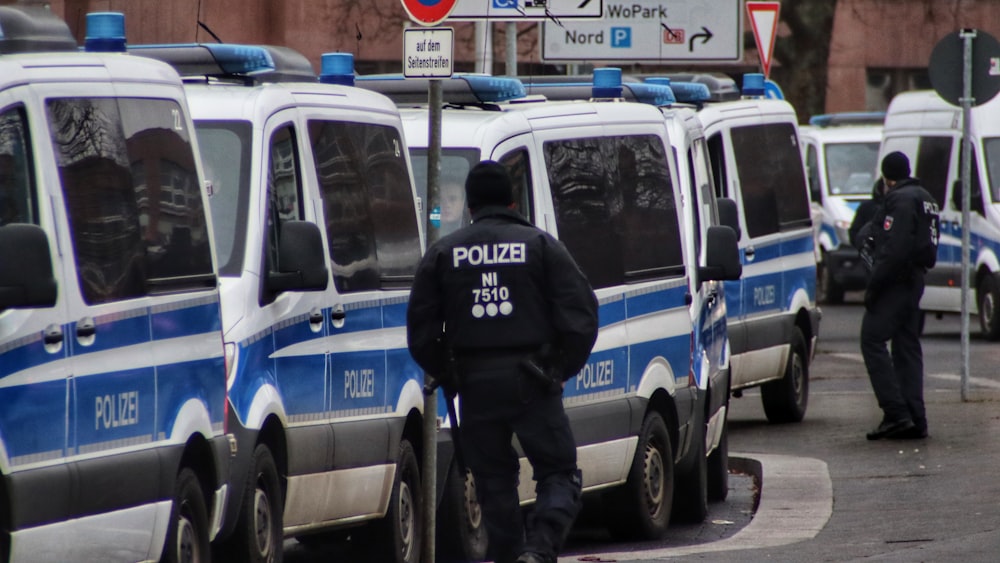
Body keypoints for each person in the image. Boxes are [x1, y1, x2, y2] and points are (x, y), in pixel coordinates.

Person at [406, 161, 598, 563]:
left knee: (493, 483)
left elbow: (421, 333)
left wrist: (451, 373)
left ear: (470, 206)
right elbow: (582, 316)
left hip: (475, 386)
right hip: (533, 381)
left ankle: (513, 556)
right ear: (513, 201)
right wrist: (558, 370)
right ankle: (538, 551)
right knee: (559, 473)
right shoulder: (541, 246)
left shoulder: (443, 254)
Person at [860, 151, 939, 440]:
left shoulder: (900, 199)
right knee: (906, 344)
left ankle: (895, 413)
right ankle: (916, 418)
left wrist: (874, 287)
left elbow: (894, 249)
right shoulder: (925, 197)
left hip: (897, 280)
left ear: (887, 178)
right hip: (916, 278)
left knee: (871, 339)